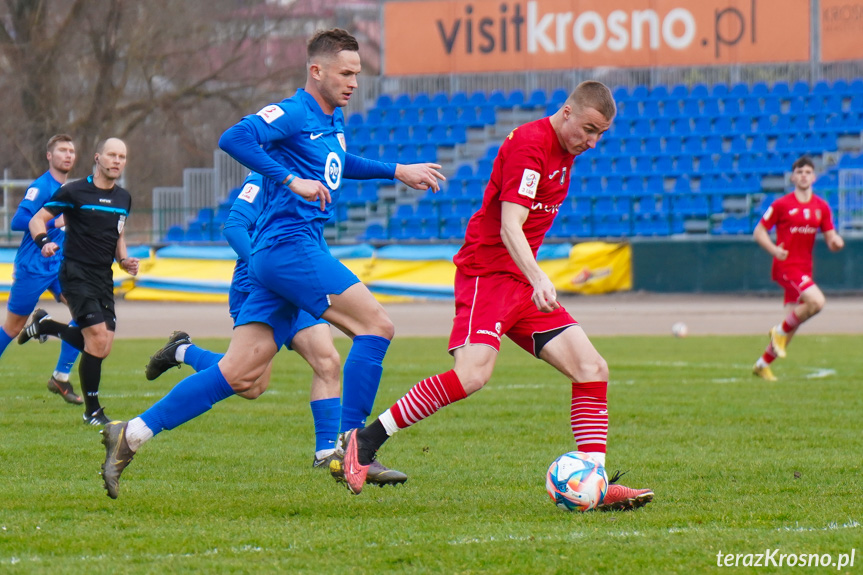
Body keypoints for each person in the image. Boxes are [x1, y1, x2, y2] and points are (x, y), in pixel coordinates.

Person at [99, 28, 443, 499]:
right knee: (376, 327)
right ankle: (352, 448)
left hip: (285, 253)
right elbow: (233, 137)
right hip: (290, 249)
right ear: (316, 70)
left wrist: (396, 171)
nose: (354, 83)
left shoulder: (332, 120)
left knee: (240, 374)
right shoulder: (295, 110)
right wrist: (289, 179)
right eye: (346, 73)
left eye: (358, 75)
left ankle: (131, 434)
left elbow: (341, 162)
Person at [333, 81, 654, 511]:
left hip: (520, 283)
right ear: (566, 112)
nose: (593, 142)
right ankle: (364, 442)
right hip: (488, 277)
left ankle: (593, 481)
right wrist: (539, 276)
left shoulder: (566, 150)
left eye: (601, 134)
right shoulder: (530, 144)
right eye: (589, 129)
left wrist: (531, 278)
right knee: (472, 376)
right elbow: (509, 226)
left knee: (592, 367)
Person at [144, 171, 361, 469]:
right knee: (252, 385)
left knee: (328, 361)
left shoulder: (312, 175)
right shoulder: (264, 176)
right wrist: (264, 268)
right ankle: (182, 350)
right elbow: (234, 227)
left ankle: (325, 454)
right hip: (258, 289)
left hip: (297, 284)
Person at [19, 137, 139, 425]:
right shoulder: (73, 191)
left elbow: (118, 236)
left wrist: (124, 260)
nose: (117, 161)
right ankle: (92, 411)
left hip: (103, 277)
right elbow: (36, 219)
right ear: (98, 157)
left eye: (122, 157)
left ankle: (46, 326)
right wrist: (44, 241)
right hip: (75, 273)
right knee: (96, 337)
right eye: (112, 155)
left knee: (103, 345)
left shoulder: (124, 199)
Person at [0, 134, 82, 404]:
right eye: (62, 150)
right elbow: (19, 220)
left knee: (85, 313)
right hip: (34, 266)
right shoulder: (42, 186)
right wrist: (56, 222)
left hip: (57, 266)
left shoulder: (66, 188)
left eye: (71, 151)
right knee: (12, 328)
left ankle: (60, 377)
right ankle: (39, 324)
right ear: (49, 156)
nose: (68, 155)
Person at [751, 156, 844, 381]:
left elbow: (831, 236)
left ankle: (762, 364)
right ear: (793, 177)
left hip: (804, 268)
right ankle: (779, 331)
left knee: (794, 321)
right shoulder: (781, 205)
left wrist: (836, 242)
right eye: (799, 172)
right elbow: (759, 231)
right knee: (817, 302)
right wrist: (774, 250)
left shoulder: (821, 207)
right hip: (786, 265)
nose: (803, 175)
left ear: (814, 177)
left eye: (807, 172)